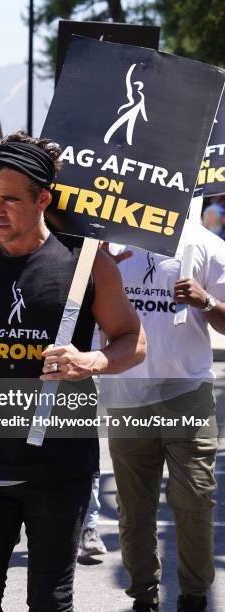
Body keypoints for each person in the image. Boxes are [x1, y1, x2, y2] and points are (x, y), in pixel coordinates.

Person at [0, 131, 147, 611]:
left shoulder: (85, 264)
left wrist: (94, 361)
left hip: (59, 465)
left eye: (11, 200)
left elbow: (133, 341)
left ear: (43, 198)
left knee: (50, 601)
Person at [103, 223, 225, 612]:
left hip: (186, 389)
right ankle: (144, 596)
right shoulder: (112, 239)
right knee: (134, 506)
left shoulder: (207, 244)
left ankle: (192, 595)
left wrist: (205, 303)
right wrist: (96, 267)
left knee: (194, 496)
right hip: (127, 391)